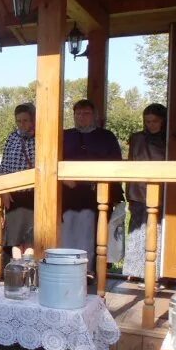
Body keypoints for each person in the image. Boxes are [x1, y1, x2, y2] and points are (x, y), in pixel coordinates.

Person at [62, 99, 123, 271]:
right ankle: (67, 267)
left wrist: (116, 194)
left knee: (93, 234)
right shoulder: (65, 135)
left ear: (94, 116)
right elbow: (54, 160)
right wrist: (65, 179)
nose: (81, 117)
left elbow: (116, 164)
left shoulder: (106, 137)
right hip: (69, 196)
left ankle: (89, 271)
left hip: (96, 194)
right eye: (78, 114)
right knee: (68, 234)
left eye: (86, 113)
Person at [123, 103, 168, 279]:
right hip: (137, 191)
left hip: (161, 191)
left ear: (163, 120)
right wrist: (129, 191)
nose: (151, 125)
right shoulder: (136, 138)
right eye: (147, 121)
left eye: (155, 121)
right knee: (137, 231)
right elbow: (131, 162)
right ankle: (135, 272)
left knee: (156, 232)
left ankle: (155, 274)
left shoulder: (169, 140)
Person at [1, 104, 36, 258]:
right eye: (19, 121)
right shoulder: (12, 137)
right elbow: (5, 166)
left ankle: (28, 272)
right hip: (15, 196)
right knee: (15, 239)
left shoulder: (40, 138)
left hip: (33, 195)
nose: (22, 124)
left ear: (33, 120)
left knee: (31, 239)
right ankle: (17, 270)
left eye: (25, 120)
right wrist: (5, 191)